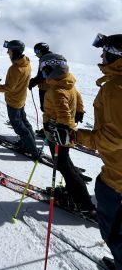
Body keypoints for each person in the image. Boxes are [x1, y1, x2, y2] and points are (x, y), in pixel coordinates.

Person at [76, 33, 122, 270]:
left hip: (118, 176)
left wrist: (75, 137)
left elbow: (114, 138)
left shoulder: (115, 89)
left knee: (114, 231)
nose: (101, 56)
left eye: (104, 51)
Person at [41, 52, 96, 215]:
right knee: (65, 164)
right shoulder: (67, 83)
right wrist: (79, 111)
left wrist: (59, 128)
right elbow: (78, 98)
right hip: (63, 133)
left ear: (52, 69)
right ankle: (72, 191)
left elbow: (64, 115)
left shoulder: (57, 90)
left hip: (58, 135)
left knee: (64, 167)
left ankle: (84, 204)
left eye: (44, 69)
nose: (43, 73)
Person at [0, 40, 39, 158]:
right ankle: (29, 142)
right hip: (21, 98)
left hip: (14, 100)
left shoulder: (15, 68)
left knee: (17, 125)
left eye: (9, 50)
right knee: (23, 121)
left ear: (15, 51)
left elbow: (9, 88)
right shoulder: (26, 63)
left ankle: (31, 149)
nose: (7, 52)